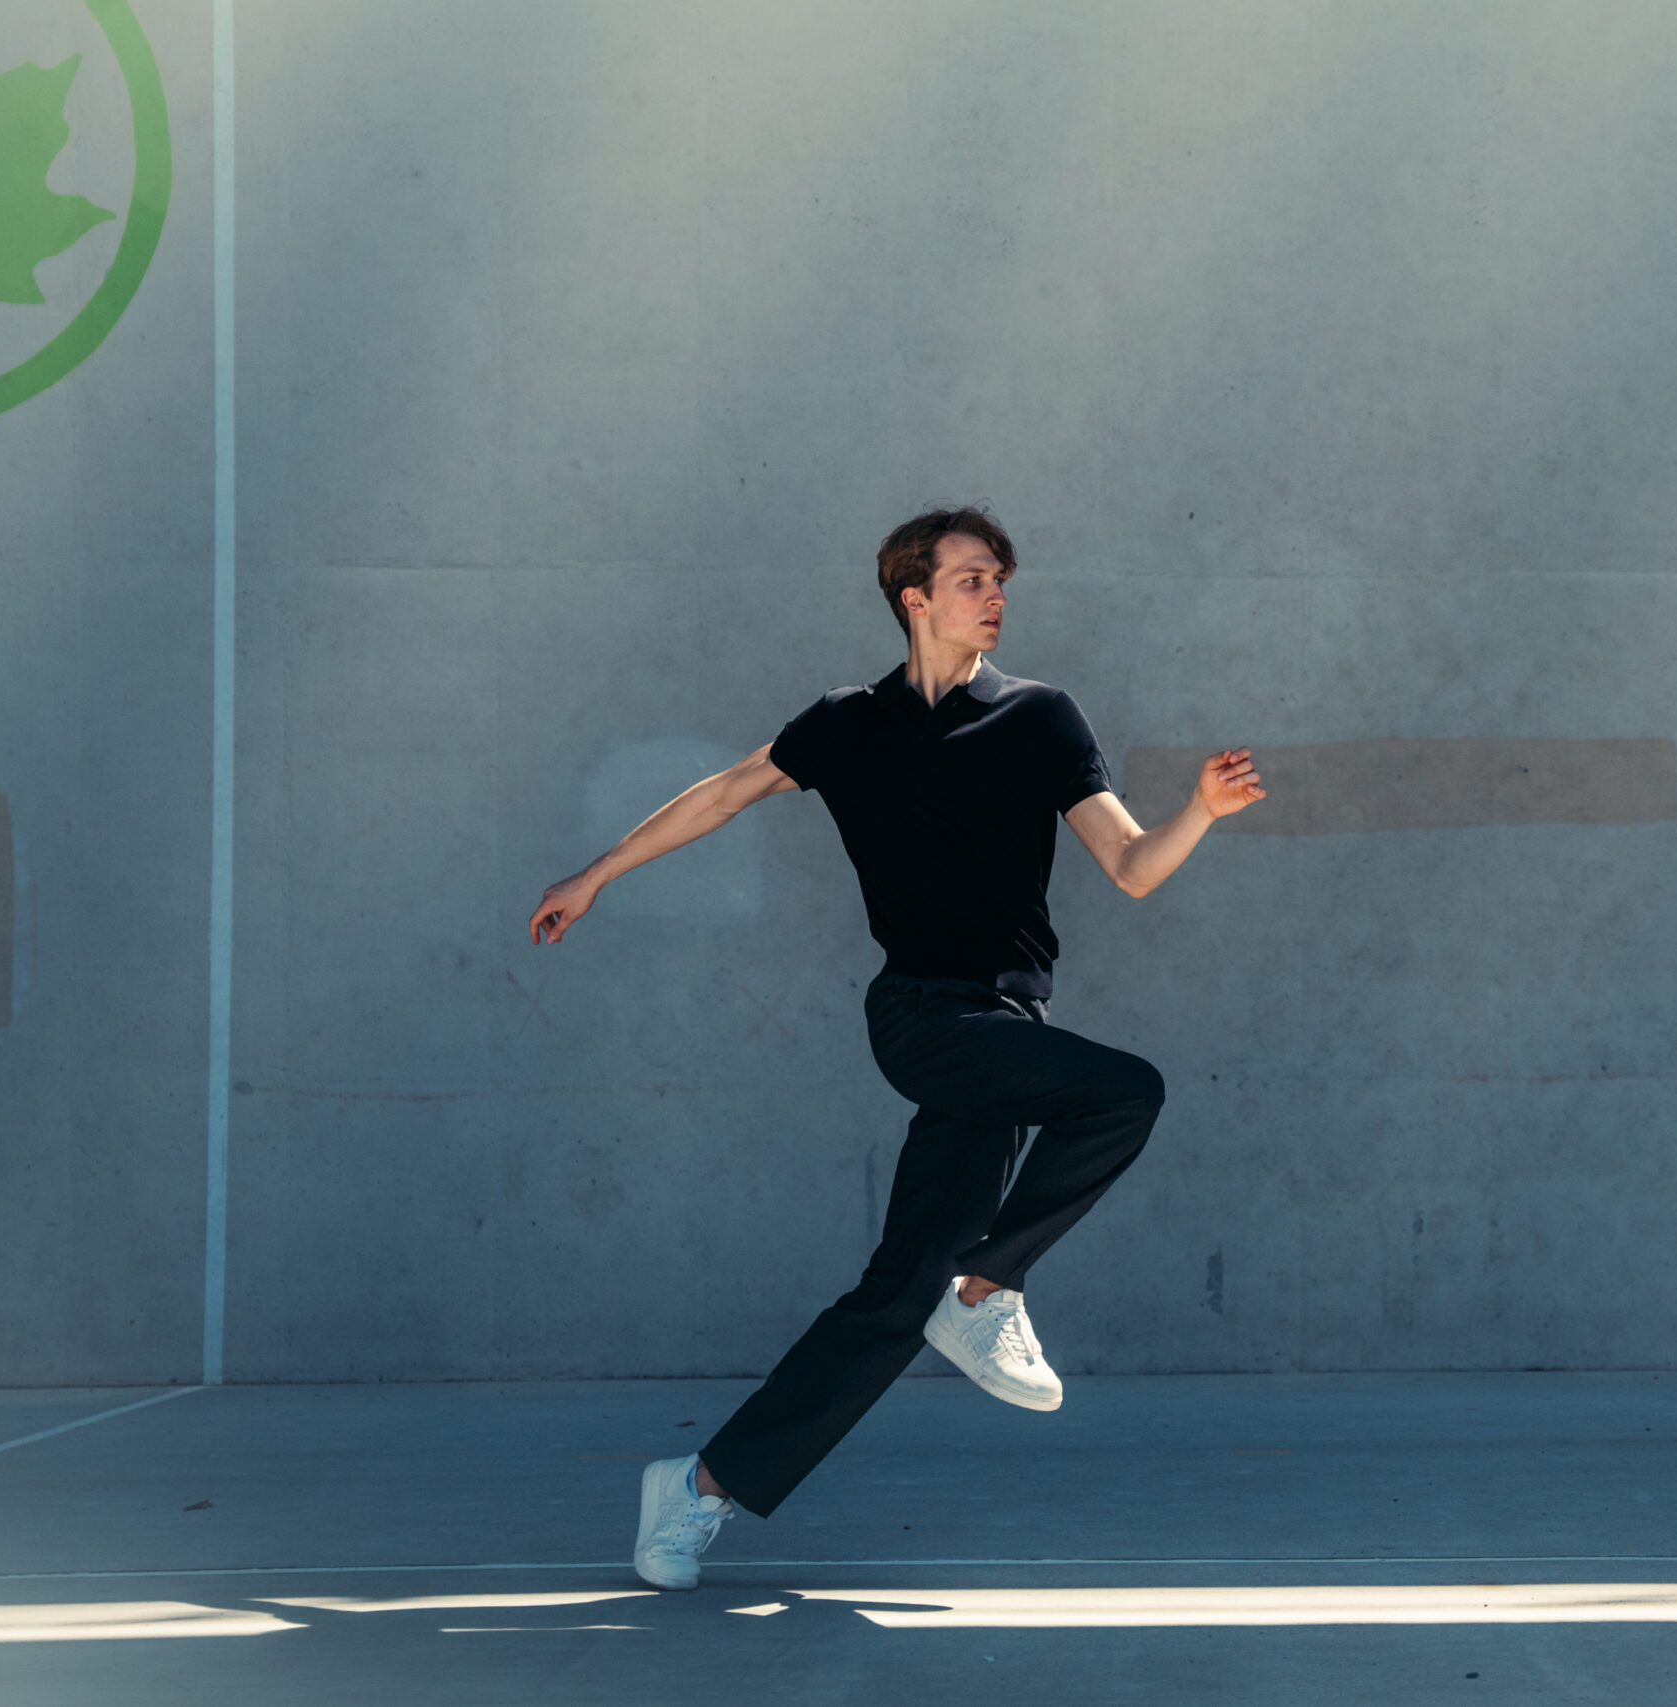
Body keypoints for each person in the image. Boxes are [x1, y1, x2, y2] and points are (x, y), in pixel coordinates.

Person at [527, 506, 1263, 1589]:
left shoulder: (1043, 720)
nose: (995, 594)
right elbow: (726, 793)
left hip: (1006, 1034)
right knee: (1123, 1095)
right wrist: (595, 874)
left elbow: (1134, 867)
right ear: (914, 597)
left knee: (891, 1297)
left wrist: (1196, 811)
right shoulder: (847, 723)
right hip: (921, 1016)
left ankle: (699, 1487)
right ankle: (986, 1292)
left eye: (1000, 578)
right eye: (971, 578)